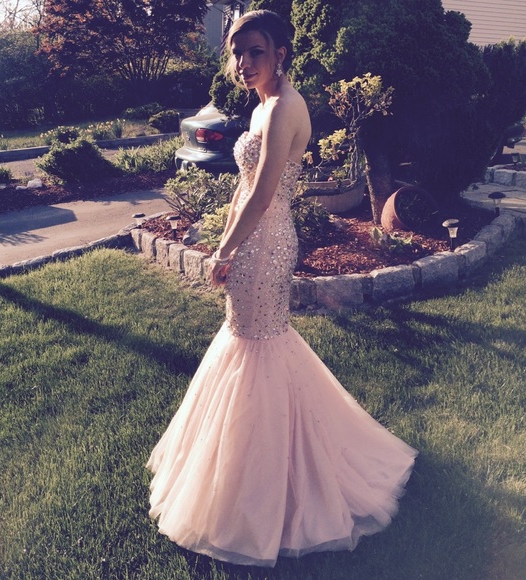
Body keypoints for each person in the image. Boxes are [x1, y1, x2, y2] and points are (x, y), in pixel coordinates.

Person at [147, 10, 417, 568]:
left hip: (266, 243)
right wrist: (224, 234)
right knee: (253, 341)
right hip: (251, 236)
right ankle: (251, 463)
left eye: (256, 52)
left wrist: (226, 251)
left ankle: (272, 481)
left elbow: (265, 193)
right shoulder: (261, 104)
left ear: (280, 54)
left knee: (259, 344)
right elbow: (244, 187)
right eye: (238, 53)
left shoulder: (286, 107)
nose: (244, 63)